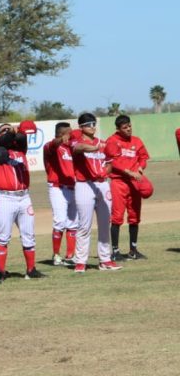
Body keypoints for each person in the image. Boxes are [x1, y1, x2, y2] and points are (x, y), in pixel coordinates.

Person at [0, 121, 43, 281]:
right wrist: (9, 132)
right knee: (3, 236)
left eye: (9, 130)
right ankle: (0, 271)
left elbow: (22, 138)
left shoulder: (20, 149)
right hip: (5, 197)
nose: (7, 133)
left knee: (29, 235)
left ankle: (31, 269)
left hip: (24, 196)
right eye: (3, 131)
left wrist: (19, 130)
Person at [71, 114, 121, 272]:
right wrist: (95, 148)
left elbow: (110, 163)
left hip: (102, 185)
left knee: (105, 224)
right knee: (84, 225)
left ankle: (105, 260)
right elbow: (79, 148)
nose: (92, 126)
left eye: (93, 123)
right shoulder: (77, 141)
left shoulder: (103, 143)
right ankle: (80, 261)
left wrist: (104, 172)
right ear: (81, 127)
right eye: (87, 124)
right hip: (84, 185)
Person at [104, 115, 150, 260]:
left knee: (135, 217)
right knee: (117, 217)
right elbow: (113, 162)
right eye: (125, 127)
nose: (129, 129)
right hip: (119, 183)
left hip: (135, 183)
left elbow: (143, 157)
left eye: (129, 126)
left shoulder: (136, 141)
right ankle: (115, 252)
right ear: (118, 129)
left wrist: (141, 169)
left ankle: (133, 250)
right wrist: (129, 172)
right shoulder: (112, 141)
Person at [43, 122, 78, 266]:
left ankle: (70, 255)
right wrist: (60, 140)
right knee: (60, 221)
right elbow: (52, 145)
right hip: (58, 187)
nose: (72, 134)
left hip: (74, 187)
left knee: (73, 223)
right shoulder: (51, 146)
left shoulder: (72, 147)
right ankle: (56, 255)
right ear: (61, 133)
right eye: (69, 132)